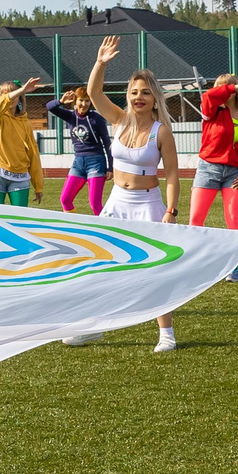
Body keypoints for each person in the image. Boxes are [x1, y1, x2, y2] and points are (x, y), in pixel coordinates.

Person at [82, 36, 190, 350]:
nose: (138, 97)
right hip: (117, 200)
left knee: (157, 270)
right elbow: (93, 93)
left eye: (144, 92)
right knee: (99, 263)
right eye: (133, 92)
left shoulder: (162, 132)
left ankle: (166, 334)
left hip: (148, 204)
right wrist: (100, 62)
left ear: (155, 98)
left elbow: (171, 174)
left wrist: (171, 210)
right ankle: (92, 327)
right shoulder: (118, 120)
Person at [190, 71, 238, 280]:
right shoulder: (212, 111)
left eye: (228, 86)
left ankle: (236, 267)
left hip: (235, 173)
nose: (223, 90)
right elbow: (208, 97)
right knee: (195, 220)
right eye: (221, 87)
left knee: (233, 220)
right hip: (208, 168)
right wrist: (234, 88)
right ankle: (194, 263)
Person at [45, 85, 113, 214]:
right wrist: (60, 101)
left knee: (95, 204)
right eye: (81, 100)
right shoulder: (71, 116)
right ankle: (74, 226)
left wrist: (111, 167)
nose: (84, 104)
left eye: (87, 100)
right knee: (65, 199)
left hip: (96, 163)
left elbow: (107, 142)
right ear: (75, 101)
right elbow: (49, 107)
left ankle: (105, 230)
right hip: (78, 163)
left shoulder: (96, 118)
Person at [0, 77, 44, 205]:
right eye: (5, 94)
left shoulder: (25, 122)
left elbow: (33, 153)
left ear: (20, 98)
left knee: (19, 219)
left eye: (14, 94)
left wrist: (38, 185)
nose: (10, 97)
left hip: (20, 176)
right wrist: (22, 90)